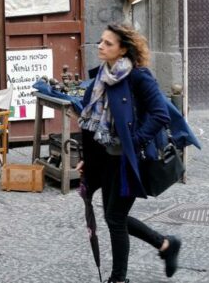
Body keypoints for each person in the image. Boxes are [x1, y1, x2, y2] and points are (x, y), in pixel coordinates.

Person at [77, 23, 182, 283]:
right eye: (101, 41)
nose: (100, 46)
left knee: (114, 217)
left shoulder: (138, 76)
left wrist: (133, 143)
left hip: (128, 160)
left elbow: (160, 114)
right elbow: (90, 121)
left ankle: (119, 279)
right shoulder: (102, 75)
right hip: (106, 158)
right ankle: (166, 245)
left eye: (108, 43)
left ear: (123, 49)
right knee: (114, 216)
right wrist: (86, 159)